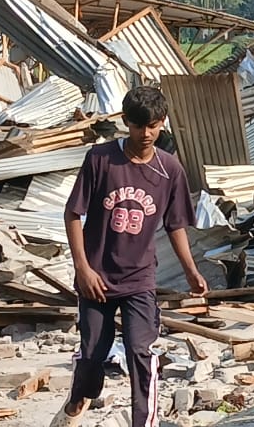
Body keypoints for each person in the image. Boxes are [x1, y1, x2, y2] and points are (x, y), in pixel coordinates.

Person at [52, 86, 209, 427]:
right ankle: (77, 401)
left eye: (153, 125)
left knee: (141, 352)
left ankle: (145, 422)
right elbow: (72, 214)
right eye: (139, 126)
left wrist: (191, 272)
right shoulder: (101, 159)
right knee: (93, 356)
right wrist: (82, 269)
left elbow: (175, 225)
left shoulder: (170, 170)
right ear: (126, 123)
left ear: (162, 123)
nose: (147, 133)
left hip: (140, 279)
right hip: (97, 279)